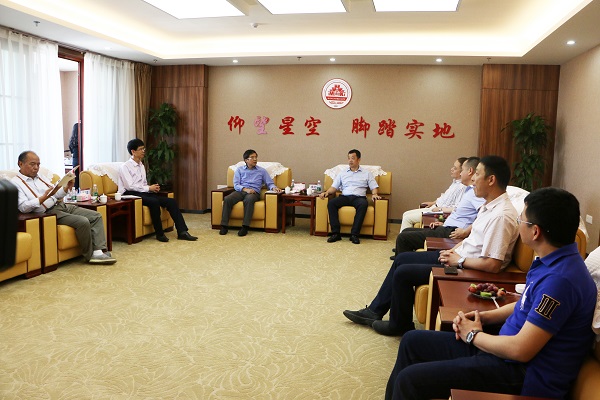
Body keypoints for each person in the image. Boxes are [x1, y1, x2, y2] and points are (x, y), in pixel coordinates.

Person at [385, 187, 597, 400]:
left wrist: (473, 335)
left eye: (521, 220)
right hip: (503, 349)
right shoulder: (553, 262)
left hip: (522, 373)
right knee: (411, 341)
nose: (518, 223)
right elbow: (525, 304)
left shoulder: (561, 281)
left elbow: (521, 350)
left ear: (535, 232)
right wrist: (483, 317)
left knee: (410, 380)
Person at [343, 155, 519, 336]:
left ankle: (399, 325)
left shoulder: (501, 216)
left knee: (403, 273)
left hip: (468, 268)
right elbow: (472, 240)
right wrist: (452, 250)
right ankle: (374, 311)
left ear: (491, 180)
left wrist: (459, 260)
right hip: (458, 258)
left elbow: (493, 265)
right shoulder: (489, 207)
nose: (473, 179)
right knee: (401, 259)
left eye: (478, 174)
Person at [11, 151, 116, 264]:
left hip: (60, 205)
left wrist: (66, 188)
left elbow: (56, 194)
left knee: (96, 216)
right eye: (32, 164)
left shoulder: (40, 177)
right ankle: (90, 255)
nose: (36, 167)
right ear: (20, 164)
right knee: (83, 221)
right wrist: (43, 198)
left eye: (38, 164)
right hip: (47, 213)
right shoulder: (15, 183)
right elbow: (23, 207)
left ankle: (98, 251)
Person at [390, 157, 483, 260]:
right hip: (447, 227)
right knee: (406, 231)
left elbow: (483, 217)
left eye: (462, 170)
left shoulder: (476, 193)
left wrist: (466, 231)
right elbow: (461, 214)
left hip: (452, 232)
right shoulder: (469, 191)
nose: (460, 174)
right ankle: (404, 261)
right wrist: (444, 223)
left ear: (470, 171)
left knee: (403, 238)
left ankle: (403, 264)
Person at [118, 138, 198, 242]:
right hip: (130, 194)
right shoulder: (125, 167)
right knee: (154, 202)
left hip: (142, 192)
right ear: (133, 151)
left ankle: (182, 232)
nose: (143, 151)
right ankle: (159, 234)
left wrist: (151, 189)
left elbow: (142, 184)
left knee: (171, 202)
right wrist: (148, 188)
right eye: (141, 149)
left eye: (143, 149)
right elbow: (130, 186)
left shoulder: (141, 165)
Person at [319, 149, 381, 245]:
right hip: (345, 197)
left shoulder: (367, 173)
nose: (350, 160)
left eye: (353, 158)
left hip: (359, 198)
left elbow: (374, 187)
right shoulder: (342, 173)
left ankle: (354, 235)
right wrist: (326, 192)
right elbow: (334, 187)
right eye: (349, 158)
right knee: (331, 203)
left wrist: (375, 194)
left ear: (358, 160)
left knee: (363, 204)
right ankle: (336, 233)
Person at [219, 149, 282, 237]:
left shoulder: (262, 171)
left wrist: (274, 187)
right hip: (241, 191)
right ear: (246, 160)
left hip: (254, 193)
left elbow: (269, 183)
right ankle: (224, 226)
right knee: (227, 199)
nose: (255, 159)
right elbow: (236, 185)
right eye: (252, 157)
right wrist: (245, 189)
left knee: (248, 199)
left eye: (256, 157)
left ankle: (245, 226)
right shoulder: (239, 170)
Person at [399, 157, 467, 232]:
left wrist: (440, 209)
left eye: (455, 168)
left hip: (440, 213)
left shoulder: (463, 187)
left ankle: (403, 239)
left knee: (407, 218)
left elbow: (456, 208)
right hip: (435, 207)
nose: (452, 169)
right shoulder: (455, 183)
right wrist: (433, 202)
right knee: (405, 214)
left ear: (462, 171)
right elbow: (445, 198)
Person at [68, 122, 80, 189]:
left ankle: (75, 191)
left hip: (75, 160)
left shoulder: (72, 141)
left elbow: (72, 151)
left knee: (76, 179)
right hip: (80, 159)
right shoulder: (81, 141)